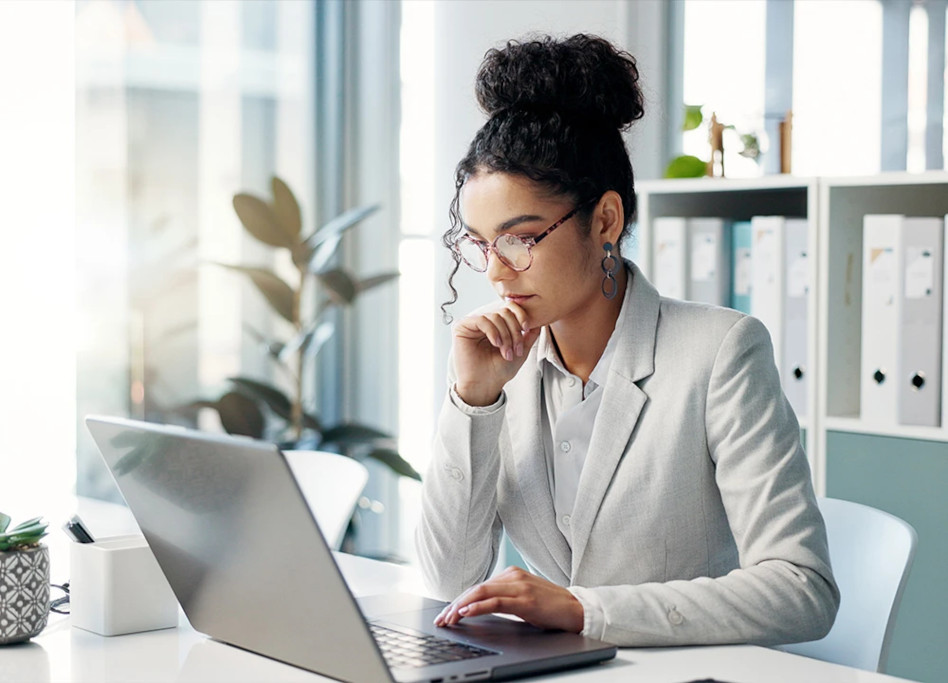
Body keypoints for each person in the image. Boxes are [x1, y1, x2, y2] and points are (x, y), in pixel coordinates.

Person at [415, 33, 839, 647]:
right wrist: (473, 403)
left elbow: (802, 590)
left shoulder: (720, 352)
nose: (496, 271)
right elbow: (447, 580)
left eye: (521, 237)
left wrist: (584, 610)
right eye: (481, 243)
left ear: (606, 220)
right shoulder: (504, 364)